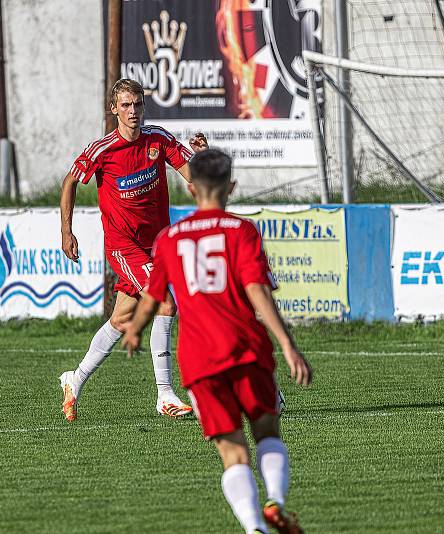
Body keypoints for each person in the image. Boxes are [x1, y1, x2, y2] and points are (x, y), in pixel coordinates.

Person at [122, 149, 313, 534]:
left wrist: (134, 329)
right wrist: (288, 345)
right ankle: (275, 499)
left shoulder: (170, 238)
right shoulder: (241, 231)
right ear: (231, 187)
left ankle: (253, 526)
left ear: (190, 188)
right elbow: (257, 291)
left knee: (233, 451)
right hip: (246, 349)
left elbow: (152, 296)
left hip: (200, 361)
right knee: (266, 432)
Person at [58, 78, 208, 422]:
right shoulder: (102, 150)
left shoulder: (159, 140)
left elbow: (193, 178)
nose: (133, 111)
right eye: (125, 105)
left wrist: (201, 157)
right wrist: (66, 231)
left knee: (121, 318)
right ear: (114, 109)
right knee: (165, 301)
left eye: (138, 104)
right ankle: (165, 394)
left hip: (157, 244)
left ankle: (74, 378)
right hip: (124, 246)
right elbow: (69, 182)